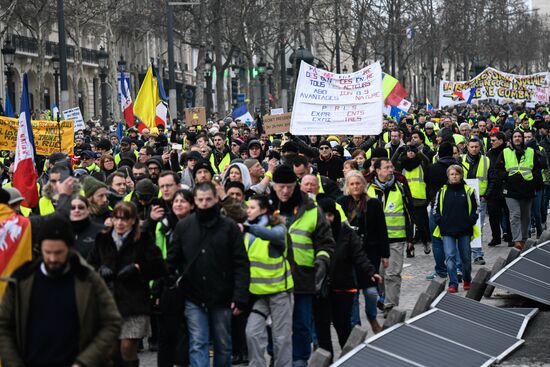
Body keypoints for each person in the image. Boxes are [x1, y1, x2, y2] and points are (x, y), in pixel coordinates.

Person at [0, 215, 122, 367]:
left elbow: (112, 322)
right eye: (47, 252)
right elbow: (3, 325)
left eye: (58, 253)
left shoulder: (87, 278)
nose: (52, 258)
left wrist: (85, 362)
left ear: (69, 248)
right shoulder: (22, 279)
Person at [168, 182, 250, 367]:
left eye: (208, 199)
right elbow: (173, 260)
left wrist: (240, 296)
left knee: (222, 344)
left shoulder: (228, 227)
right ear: (195, 201)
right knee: (198, 342)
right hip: (193, 295)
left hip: (222, 295)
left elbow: (241, 263)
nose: (205, 204)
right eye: (200, 200)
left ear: (216, 200)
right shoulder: (185, 226)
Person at [268, 165, 335, 367]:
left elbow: (326, 243)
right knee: (273, 326)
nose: (286, 191)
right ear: (274, 186)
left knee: (301, 326)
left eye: (289, 186)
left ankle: (299, 361)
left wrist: (320, 263)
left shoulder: (312, 209)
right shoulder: (265, 208)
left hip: (303, 279)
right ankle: (276, 358)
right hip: (272, 281)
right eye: (281, 187)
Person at [88, 201, 165, 366]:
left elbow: (159, 266)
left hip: (135, 302)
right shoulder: (103, 239)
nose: (120, 223)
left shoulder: (143, 238)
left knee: (127, 346)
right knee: (112, 351)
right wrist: (100, 270)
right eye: (116, 218)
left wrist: (138, 267)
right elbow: (90, 265)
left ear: (133, 220)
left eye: (125, 219)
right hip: (109, 302)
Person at [314, 196, 382, 359]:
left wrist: (371, 272)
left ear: (335, 215)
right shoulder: (313, 233)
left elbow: (359, 255)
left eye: (330, 215)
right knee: (322, 329)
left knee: (343, 326)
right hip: (321, 288)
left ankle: (348, 358)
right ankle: (327, 361)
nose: (327, 219)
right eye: (324, 215)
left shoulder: (346, 232)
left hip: (343, 286)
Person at [243, 195, 293, 367]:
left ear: (263, 210)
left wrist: (249, 229)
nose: (248, 210)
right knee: (252, 333)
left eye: (252, 207)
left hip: (279, 293)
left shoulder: (277, 228)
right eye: (247, 207)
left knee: (281, 340)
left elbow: (271, 235)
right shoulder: (249, 232)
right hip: (259, 295)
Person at [337, 170, 389, 334]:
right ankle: (355, 327)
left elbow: (382, 229)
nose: (355, 186)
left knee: (370, 291)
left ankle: (372, 317)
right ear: (347, 186)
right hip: (348, 254)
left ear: (363, 185)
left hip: (370, 252)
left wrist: (385, 254)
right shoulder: (341, 203)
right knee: (353, 293)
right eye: (352, 184)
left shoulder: (373, 203)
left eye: (358, 183)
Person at [366, 158, 413, 315]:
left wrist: (410, 239)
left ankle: (390, 306)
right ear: (377, 170)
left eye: (391, 167)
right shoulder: (368, 188)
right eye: (386, 167)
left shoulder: (399, 186)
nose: (391, 170)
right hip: (374, 240)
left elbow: (409, 212)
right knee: (378, 275)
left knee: (392, 274)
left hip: (395, 239)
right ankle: (382, 297)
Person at [155, 189, 195, 367]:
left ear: (192, 205)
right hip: (168, 283)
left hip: (192, 284)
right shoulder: (163, 225)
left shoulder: (197, 226)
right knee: (168, 335)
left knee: (192, 332)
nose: (178, 204)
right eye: (176, 201)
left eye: (183, 201)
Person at [432, 165, 479, 293]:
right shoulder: (442, 191)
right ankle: (453, 283)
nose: (454, 176)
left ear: (461, 175)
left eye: (456, 174)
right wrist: (439, 220)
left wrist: (471, 220)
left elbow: (476, 208)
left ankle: (467, 279)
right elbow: (435, 209)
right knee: (450, 256)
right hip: (447, 230)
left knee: (466, 257)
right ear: (448, 176)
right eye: (452, 174)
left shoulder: (468, 190)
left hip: (464, 229)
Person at [497, 130, 542, 249]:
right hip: (511, 190)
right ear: (511, 139)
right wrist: (505, 177)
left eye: (519, 136)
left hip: (527, 189)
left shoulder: (531, 152)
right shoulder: (505, 152)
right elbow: (498, 168)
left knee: (525, 216)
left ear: (522, 138)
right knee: (515, 214)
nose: (517, 138)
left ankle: (524, 239)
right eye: (515, 136)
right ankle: (517, 240)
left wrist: (533, 182)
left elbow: (538, 169)